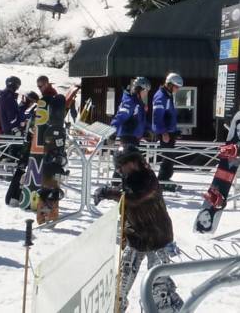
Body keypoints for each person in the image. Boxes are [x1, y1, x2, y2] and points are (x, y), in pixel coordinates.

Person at [92, 146, 182, 313]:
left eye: (120, 165)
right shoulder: (129, 179)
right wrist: (125, 232)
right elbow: (127, 209)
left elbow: (134, 199)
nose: (118, 170)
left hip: (158, 239)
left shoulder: (148, 179)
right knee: (121, 284)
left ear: (132, 163)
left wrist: (108, 192)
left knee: (159, 287)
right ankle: (116, 308)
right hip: (136, 239)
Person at [152, 72, 182, 182]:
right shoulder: (161, 96)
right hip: (165, 132)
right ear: (170, 85)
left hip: (169, 131)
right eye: (176, 87)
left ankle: (166, 178)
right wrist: (163, 132)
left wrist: (175, 131)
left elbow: (170, 115)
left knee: (170, 156)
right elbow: (157, 116)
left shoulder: (168, 96)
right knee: (168, 156)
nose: (177, 90)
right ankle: (162, 179)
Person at [113, 77, 151, 150]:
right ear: (140, 89)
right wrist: (113, 132)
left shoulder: (139, 103)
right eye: (146, 90)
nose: (146, 93)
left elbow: (141, 120)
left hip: (135, 137)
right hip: (128, 137)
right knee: (130, 160)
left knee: (134, 160)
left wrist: (150, 129)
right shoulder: (130, 101)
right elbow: (121, 116)